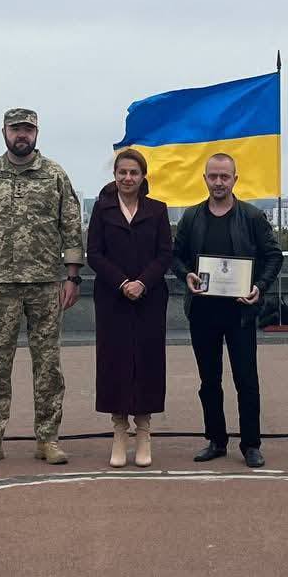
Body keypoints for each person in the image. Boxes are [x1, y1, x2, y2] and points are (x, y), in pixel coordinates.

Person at [0, 108, 83, 466]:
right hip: (0, 286)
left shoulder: (54, 175)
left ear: (37, 133)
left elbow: (71, 228)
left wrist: (72, 277)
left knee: (48, 367)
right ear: (4, 133)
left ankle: (48, 439)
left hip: (46, 286)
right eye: (15, 129)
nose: (21, 135)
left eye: (28, 129)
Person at [172, 153, 284, 468]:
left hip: (241, 312)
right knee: (209, 381)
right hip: (203, 311)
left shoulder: (252, 216)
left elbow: (274, 256)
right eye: (213, 176)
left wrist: (259, 286)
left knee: (246, 380)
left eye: (224, 176)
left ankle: (251, 444)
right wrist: (186, 275)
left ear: (235, 179)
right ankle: (216, 440)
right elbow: (175, 256)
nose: (218, 182)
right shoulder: (191, 217)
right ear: (205, 179)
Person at [86, 148, 173, 467]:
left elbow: (165, 254)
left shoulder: (157, 209)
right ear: (115, 175)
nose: (127, 178)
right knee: (115, 361)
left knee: (148, 361)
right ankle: (120, 433)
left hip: (150, 298)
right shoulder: (102, 209)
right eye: (122, 172)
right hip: (113, 298)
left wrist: (142, 283)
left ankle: (144, 432)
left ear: (143, 176)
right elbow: (94, 253)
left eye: (133, 172)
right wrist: (123, 283)